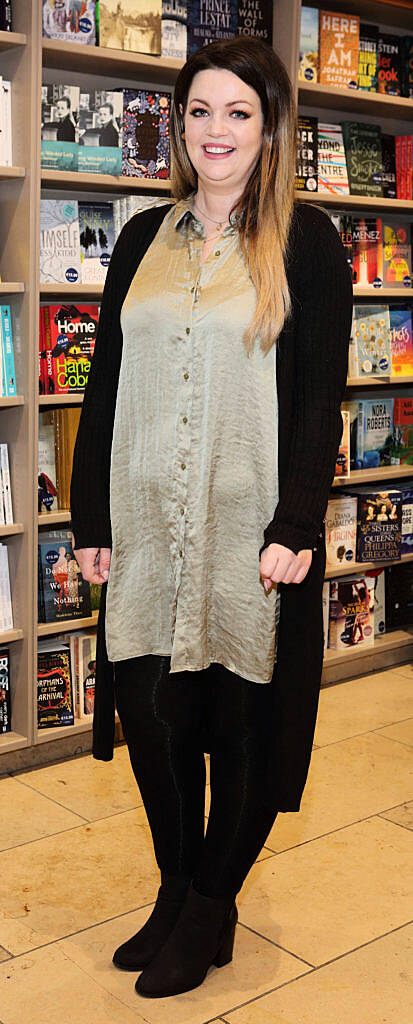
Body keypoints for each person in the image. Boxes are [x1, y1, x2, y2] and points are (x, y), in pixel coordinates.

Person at [70, 36, 353, 1000]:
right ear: (179, 124)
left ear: (269, 126)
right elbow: (105, 381)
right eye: (199, 111)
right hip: (147, 521)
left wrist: (299, 525)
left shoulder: (306, 241)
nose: (215, 130)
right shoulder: (144, 236)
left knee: (241, 722)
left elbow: (321, 395)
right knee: (152, 714)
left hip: (248, 531)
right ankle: (175, 885)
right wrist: (91, 517)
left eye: (238, 112)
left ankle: (211, 906)